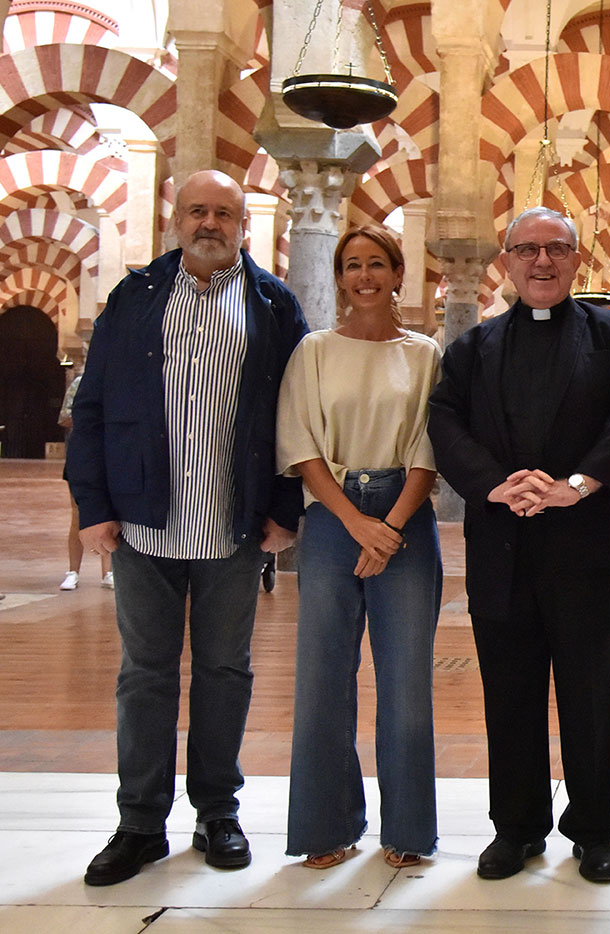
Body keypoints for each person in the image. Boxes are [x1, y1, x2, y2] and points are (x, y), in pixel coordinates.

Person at [66, 169, 307, 885]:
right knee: (145, 674)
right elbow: (95, 408)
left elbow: (295, 417)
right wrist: (95, 506)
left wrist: (283, 512)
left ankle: (217, 811)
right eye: (197, 211)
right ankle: (139, 822)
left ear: (243, 224)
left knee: (225, 670)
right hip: (144, 523)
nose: (210, 223)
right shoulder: (136, 297)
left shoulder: (272, 304)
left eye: (224, 213)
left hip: (232, 526)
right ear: (176, 219)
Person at [428, 206, 610, 883]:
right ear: (507, 260)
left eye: (556, 248)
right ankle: (517, 829)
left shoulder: (608, 332)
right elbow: (444, 420)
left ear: (577, 259)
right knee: (510, 692)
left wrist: (576, 484)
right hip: (503, 543)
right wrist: (496, 486)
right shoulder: (475, 345)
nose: (542, 262)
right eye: (527, 249)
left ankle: (593, 829)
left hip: (586, 547)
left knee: (590, 693)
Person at [277, 225, 443, 870]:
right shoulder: (314, 351)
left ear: (398, 273)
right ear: (340, 276)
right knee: (323, 677)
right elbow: (301, 445)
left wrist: (391, 526)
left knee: (406, 680)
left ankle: (408, 830)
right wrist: (355, 522)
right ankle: (325, 827)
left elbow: (430, 449)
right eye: (352, 265)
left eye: (377, 263)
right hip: (331, 518)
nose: (364, 276)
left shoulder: (426, 353)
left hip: (406, 513)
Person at [58, 368, 112, 591]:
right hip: (82, 457)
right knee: (77, 515)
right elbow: (64, 418)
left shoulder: (118, 380)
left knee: (111, 514)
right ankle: (73, 571)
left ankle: (108, 572)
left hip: (112, 456)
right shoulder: (80, 383)